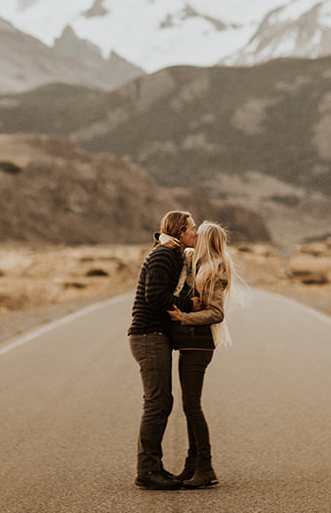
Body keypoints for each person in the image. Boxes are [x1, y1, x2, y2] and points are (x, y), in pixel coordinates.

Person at [128, 210, 198, 491]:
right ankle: (146, 471)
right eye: (192, 228)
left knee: (161, 402)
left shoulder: (172, 253)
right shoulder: (163, 255)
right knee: (157, 403)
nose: (196, 232)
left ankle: (153, 467)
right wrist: (187, 304)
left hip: (154, 336)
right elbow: (154, 296)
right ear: (180, 231)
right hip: (148, 334)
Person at [167, 221, 235, 489]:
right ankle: (191, 465)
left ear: (206, 240)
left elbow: (216, 313)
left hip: (199, 345)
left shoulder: (213, 270)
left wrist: (185, 317)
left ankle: (205, 466)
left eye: (198, 234)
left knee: (192, 406)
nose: (193, 236)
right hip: (192, 344)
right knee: (189, 405)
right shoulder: (196, 262)